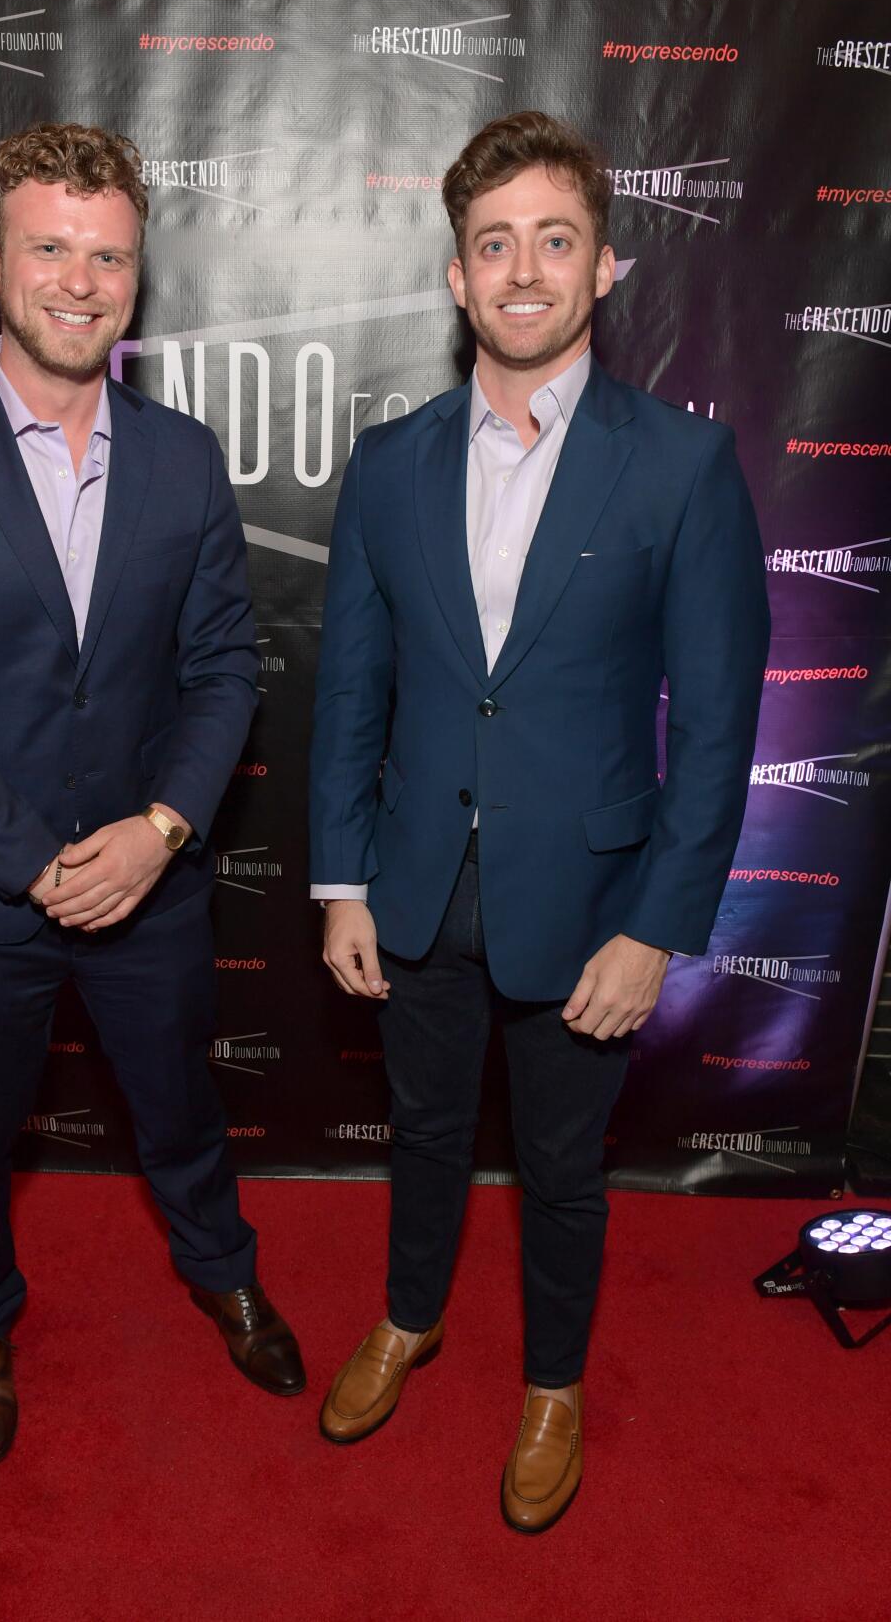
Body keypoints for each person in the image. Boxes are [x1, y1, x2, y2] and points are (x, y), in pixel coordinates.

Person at [308, 111, 769, 1532]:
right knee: (426, 1130)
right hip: (415, 883)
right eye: (493, 243)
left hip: (588, 906)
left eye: (552, 240)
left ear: (605, 267)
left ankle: (553, 1383)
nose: (523, 269)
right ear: (455, 278)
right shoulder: (387, 463)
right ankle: (410, 1314)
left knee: (564, 1169)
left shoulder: (682, 467)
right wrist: (338, 881)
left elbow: (717, 727)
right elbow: (351, 691)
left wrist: (656, 926)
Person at [0, 122, 305, 1468]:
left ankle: (222, 1269)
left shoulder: (185, 458)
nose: (80, 281)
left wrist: (157, 834)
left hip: (149, 877)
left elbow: (223, 669)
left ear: (137, 274)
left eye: (108, 256)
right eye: (50, 248)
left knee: (182, 1110)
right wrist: (42, 866)